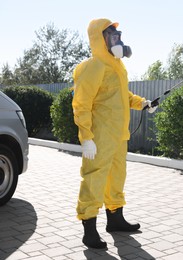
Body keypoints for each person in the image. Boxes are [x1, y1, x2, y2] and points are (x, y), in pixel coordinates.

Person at [72, 18, 157, 249]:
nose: (118, 40)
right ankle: (89, 230)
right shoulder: (94, 66)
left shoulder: (117, 66)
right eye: (112, 36)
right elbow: (81, 104)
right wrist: (87, 137)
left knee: (117, 177)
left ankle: (115, 219)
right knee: (94, 178)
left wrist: (143, 103)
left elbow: (123, 96)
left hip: (119, 135)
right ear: (100, 39)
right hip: (99, 136)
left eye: (118, 36)